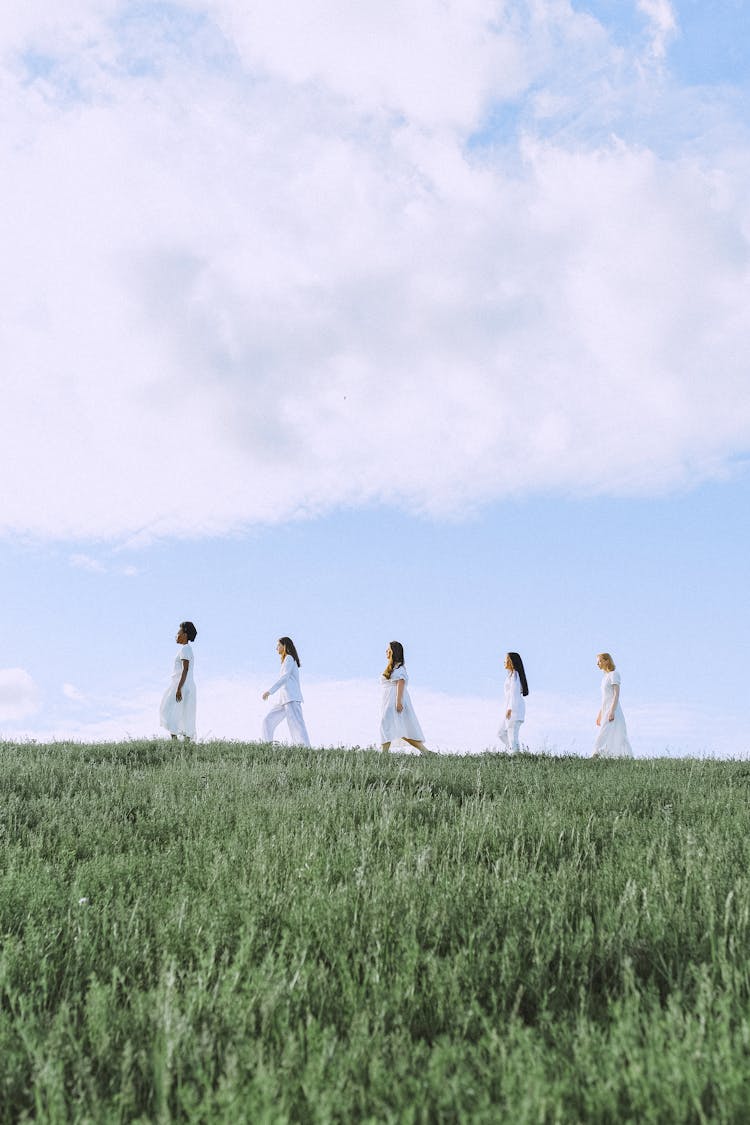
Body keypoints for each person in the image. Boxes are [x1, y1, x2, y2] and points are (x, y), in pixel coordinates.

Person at [380, 641, 436, 755]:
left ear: (393, 652)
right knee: (399, 728)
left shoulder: (400, 669)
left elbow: (401, 683)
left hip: (394, 700)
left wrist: (398, 702)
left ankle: (384, 753)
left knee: (386, 724)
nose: (386, 651)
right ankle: (426, 752)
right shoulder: (392, 668)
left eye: (388, 649)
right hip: (388, 700)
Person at [261, 637, 311, 747]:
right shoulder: (285, 661)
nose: (276, 648)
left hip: (292, 698)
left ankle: (306, 749)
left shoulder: (289, 658)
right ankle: (266, 747)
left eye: (278, 645)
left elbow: (284, 678)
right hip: (283, 700)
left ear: (285, 646)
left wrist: (269, 692)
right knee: (267, 721)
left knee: (297, 725)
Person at [159, 621, 197, 740]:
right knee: (184, 713)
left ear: (185, 634)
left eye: (179, 632)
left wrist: (179, 688)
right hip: (186, 685)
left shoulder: (185, 650)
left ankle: (175, 741)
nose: (176, 635)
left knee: (170, 711)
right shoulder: (187, 649)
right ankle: (183, 742)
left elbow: (185, 670)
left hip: (182, 685)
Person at [592, 652, 633, 758]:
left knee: (609, 733)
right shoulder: (604, 677)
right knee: (609, 733)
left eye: (600, 661)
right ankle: (605, 756)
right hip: (606, 709)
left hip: (613, 710)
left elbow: (616, 694)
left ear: (607, 661)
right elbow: (605, 698)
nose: (598, 664)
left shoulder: (614, 674)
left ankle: (596, 754)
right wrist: (600, 714)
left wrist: (612, 711)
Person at [498, 651, 529, 752]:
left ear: (511, 662)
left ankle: (515, 756)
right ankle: (513, 751)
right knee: (501, 733)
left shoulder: (515, 675)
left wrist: (510, 708)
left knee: (512, 736)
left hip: (514, 709)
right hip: (509, 709)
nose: (504, 662)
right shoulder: (510, 675)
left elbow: (514, 693)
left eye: (506, 660)